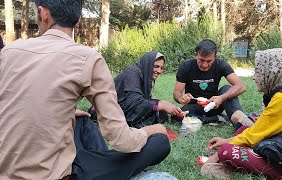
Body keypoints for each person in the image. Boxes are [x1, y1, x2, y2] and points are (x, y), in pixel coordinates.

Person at [0, 0, 170, 179]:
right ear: (78, 20)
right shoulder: (88, 58)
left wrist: (68, 112)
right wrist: (150, 130)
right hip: (54, 175)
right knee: (160, 143)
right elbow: (121, 139)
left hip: (6, 169)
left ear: (43, 13)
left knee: (83, 121)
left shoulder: (8, 52)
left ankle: (103, 165)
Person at [201, 48, 282, 180]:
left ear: (273, 71)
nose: (254, 77)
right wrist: (226, 140)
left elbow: (254, 135)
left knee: (226, 152)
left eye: (257, 71)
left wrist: (216, 156)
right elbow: (258, 130)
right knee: (243, 129)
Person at [173, 39, 248, 127]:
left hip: (214, 105)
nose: (205, 65)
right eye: (201, 60)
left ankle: (239, 120)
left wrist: (221, 98)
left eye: (209, 61)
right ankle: (216, 119)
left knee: (226, 89)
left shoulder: (221, 64)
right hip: (194, 106)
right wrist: (181, 98)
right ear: (196, 55)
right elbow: (176, 92)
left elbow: (241, 86)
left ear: (215, 57)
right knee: (177, 116)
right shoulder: (186, 66)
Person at [113, 51, 183, 128]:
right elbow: (134, 104)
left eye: (161, 68)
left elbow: (143, 99)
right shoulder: (132, 74)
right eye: (156, 66)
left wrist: (161, 103)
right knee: (154, 115)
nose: (159, 71)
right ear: (148, 64)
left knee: (162, 112)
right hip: (115, 110)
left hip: (130, 106)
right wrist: (159, 105)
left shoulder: (145, 74)